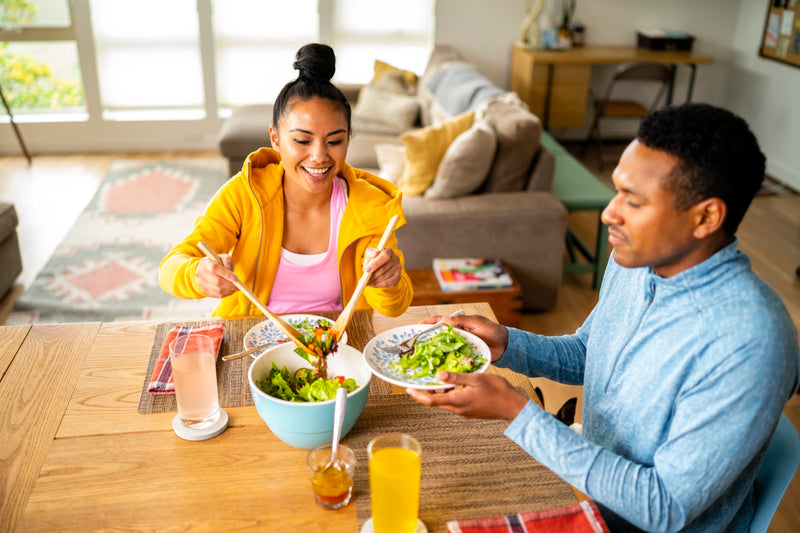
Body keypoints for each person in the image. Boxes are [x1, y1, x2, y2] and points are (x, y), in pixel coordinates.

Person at [407, 103, 800, 532]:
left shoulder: (751, 339)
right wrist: (505, 343)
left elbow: (663, 508)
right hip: (590, 488)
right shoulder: (635, 262)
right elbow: (588, 352)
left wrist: (516, 412)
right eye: (616, 191)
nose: (608, 213)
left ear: (706, 217)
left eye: (633, 201)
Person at [159, 43, 413, 318]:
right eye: (302, 140)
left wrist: (388, 282)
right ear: (275, 138)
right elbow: (171, 267)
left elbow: (396, 307)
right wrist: (196, 274)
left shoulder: (370, 205)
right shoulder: (245, 194)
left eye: (335, 141)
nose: (319, 156)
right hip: (249, 335)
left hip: (334, 344)